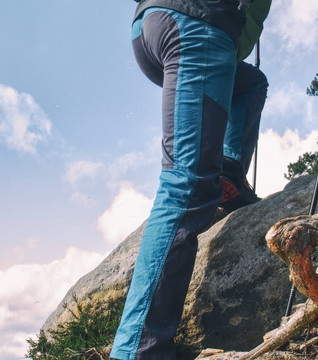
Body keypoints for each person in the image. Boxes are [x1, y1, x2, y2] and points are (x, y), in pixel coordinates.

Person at [111, 0, 271, 359]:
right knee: (187, 184)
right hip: (198, 23)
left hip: (155, 24)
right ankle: (140, 349)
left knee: (249, 83)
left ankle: (228, 171)